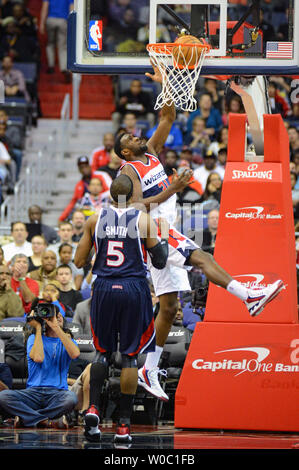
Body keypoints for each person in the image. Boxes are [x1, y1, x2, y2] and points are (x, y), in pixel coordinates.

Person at [115, 62, 284, 401]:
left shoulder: (149, 153)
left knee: (168, 308)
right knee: (201, 256)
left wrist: (165, 84)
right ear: (125, 152)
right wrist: (173, 188)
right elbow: (130, 211)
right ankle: (246, 296)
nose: (136, 135)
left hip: (167, 227)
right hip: (155, 235)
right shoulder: (126, 174)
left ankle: (149, 367)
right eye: (130, 137)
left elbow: (167, 118)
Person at [73, 174, 168, 444]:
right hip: (133, 288)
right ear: (133, 196)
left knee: (102, 352)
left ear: (110, 195)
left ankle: (93, 409)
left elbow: (79, 260)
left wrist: (98, 249)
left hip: (103, 287)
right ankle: (124, 425)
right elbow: (160, 262)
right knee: (129, 356)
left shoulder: (95, 219)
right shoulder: (143, 220)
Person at [0, 299, 80, 428]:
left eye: (58, 316)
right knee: (3, 396)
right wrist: (38, 328)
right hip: (33, 393)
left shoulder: (67, 340)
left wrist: (56, 328)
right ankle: (47, 420)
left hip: (57, 393)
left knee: (71, 399)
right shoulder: (33, 338)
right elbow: (38, 357)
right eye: (52, 316)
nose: (55, 318)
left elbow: (75, 354)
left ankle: (29, 418)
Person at [58, 156, 110, 222]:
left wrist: (98, 197)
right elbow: (73, 202)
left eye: (86, 166)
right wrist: (62, 218)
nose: (84, 169)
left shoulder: (101, 175)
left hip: (103, 206)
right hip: (87, 215)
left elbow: (112, 192)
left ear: (90, 166)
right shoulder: (79, 185)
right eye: (82, 167)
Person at [39, 0, 74, 82]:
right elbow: (71, 9)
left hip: (51, 19)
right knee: (62, 46)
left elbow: (45, 8)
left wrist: (41, 23)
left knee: (50, 44)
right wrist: (71, 23)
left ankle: (51, 66)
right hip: (63, 20)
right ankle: (64, 68)